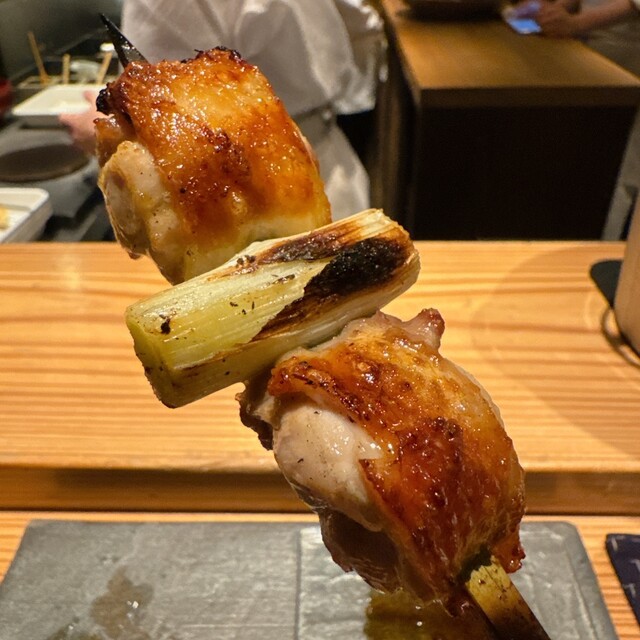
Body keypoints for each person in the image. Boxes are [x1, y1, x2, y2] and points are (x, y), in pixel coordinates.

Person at [60, 0, 384, 222]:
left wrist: (103, 135)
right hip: (333, 163)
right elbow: (364, 26)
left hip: (248, 202)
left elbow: (160, 131)